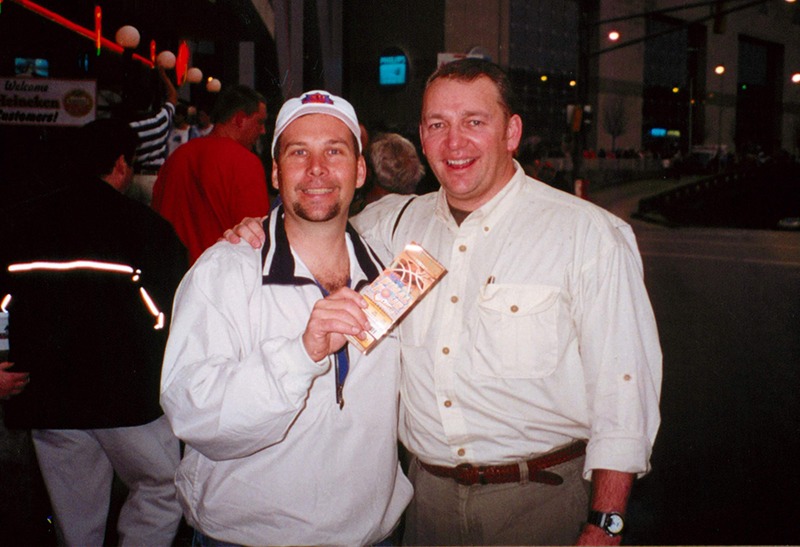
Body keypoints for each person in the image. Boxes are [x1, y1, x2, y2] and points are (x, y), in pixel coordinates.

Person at [228, 59, 662, 546]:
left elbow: (624, 390)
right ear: (422, 136)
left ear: (511, 131)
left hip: (541, 503)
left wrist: (606, 523)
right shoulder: (392, 226)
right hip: (426, 504)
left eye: (474, 122)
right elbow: (312, 224)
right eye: (438, 125)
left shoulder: (587, 235)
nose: (454, 143)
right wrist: (257, 229)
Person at [159, 90, 412, 546]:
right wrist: (302, 353)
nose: (317, 169)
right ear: (276, 172)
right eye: (299, 152)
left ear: (359, 170)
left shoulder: (390, 276)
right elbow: (192, 415)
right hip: (249, 539)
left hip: (373, 537)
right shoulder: (226, 271)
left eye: (334, 151)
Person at [0, 119, 188, 546]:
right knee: (163, 487)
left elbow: (3, 305)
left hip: (48, 398)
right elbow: (174, 313)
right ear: (121, 164)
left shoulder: (19, 224)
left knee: (75, 512)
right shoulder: (146, 229)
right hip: (130, 400)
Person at [151, 84, 270, 264]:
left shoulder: (178, 155)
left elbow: (157, 215)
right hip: (218, 278)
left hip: (171, 275)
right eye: (259, 122)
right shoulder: (246, 162)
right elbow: (256, 238)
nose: (263, 131)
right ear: (240, 119)